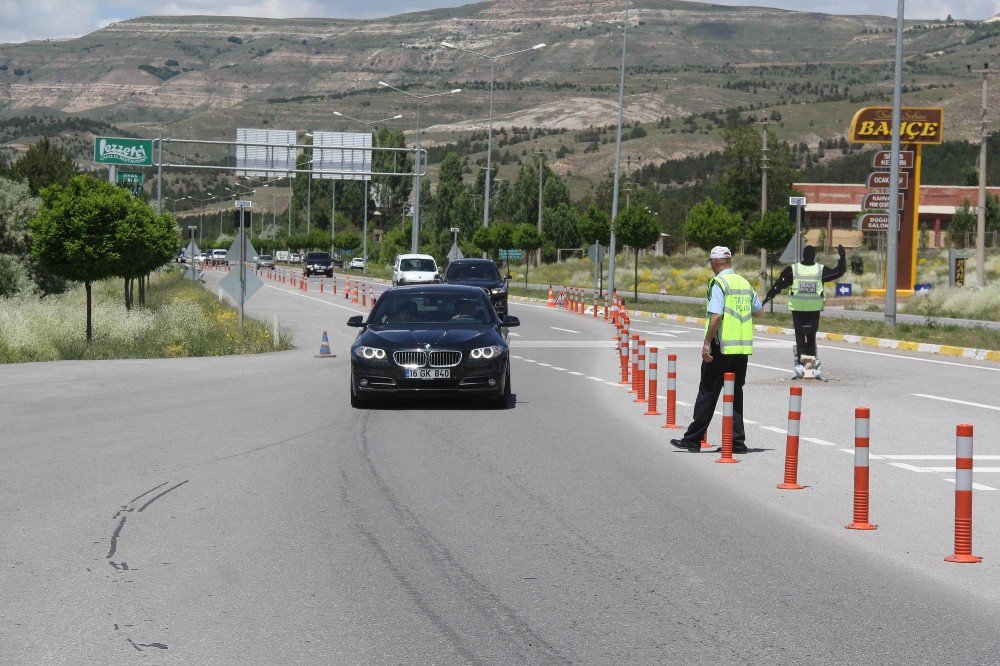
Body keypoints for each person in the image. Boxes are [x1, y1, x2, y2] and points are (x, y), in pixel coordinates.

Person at [671, 246, 763, 453]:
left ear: (714, 263)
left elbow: (716, 316)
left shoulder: (719, 283)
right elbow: (759, 312)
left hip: (720, 347)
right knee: (735, 394)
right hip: (740, 349)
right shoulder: (744, 283)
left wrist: (706, 343)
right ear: (729, 261)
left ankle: (693, 439)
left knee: (708, 392)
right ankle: (737, 442)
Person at [762, 244, 846, 367]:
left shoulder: (793, 269)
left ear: (803, 255)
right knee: (811, 334)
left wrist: (768, 298)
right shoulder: (819, 270)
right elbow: (838, 272)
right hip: (814, 308)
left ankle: (801, 362)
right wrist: (842, 257)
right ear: (814, 256)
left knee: (799, 334)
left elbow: (779, 285)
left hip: (798, 308)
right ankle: (811, 360)